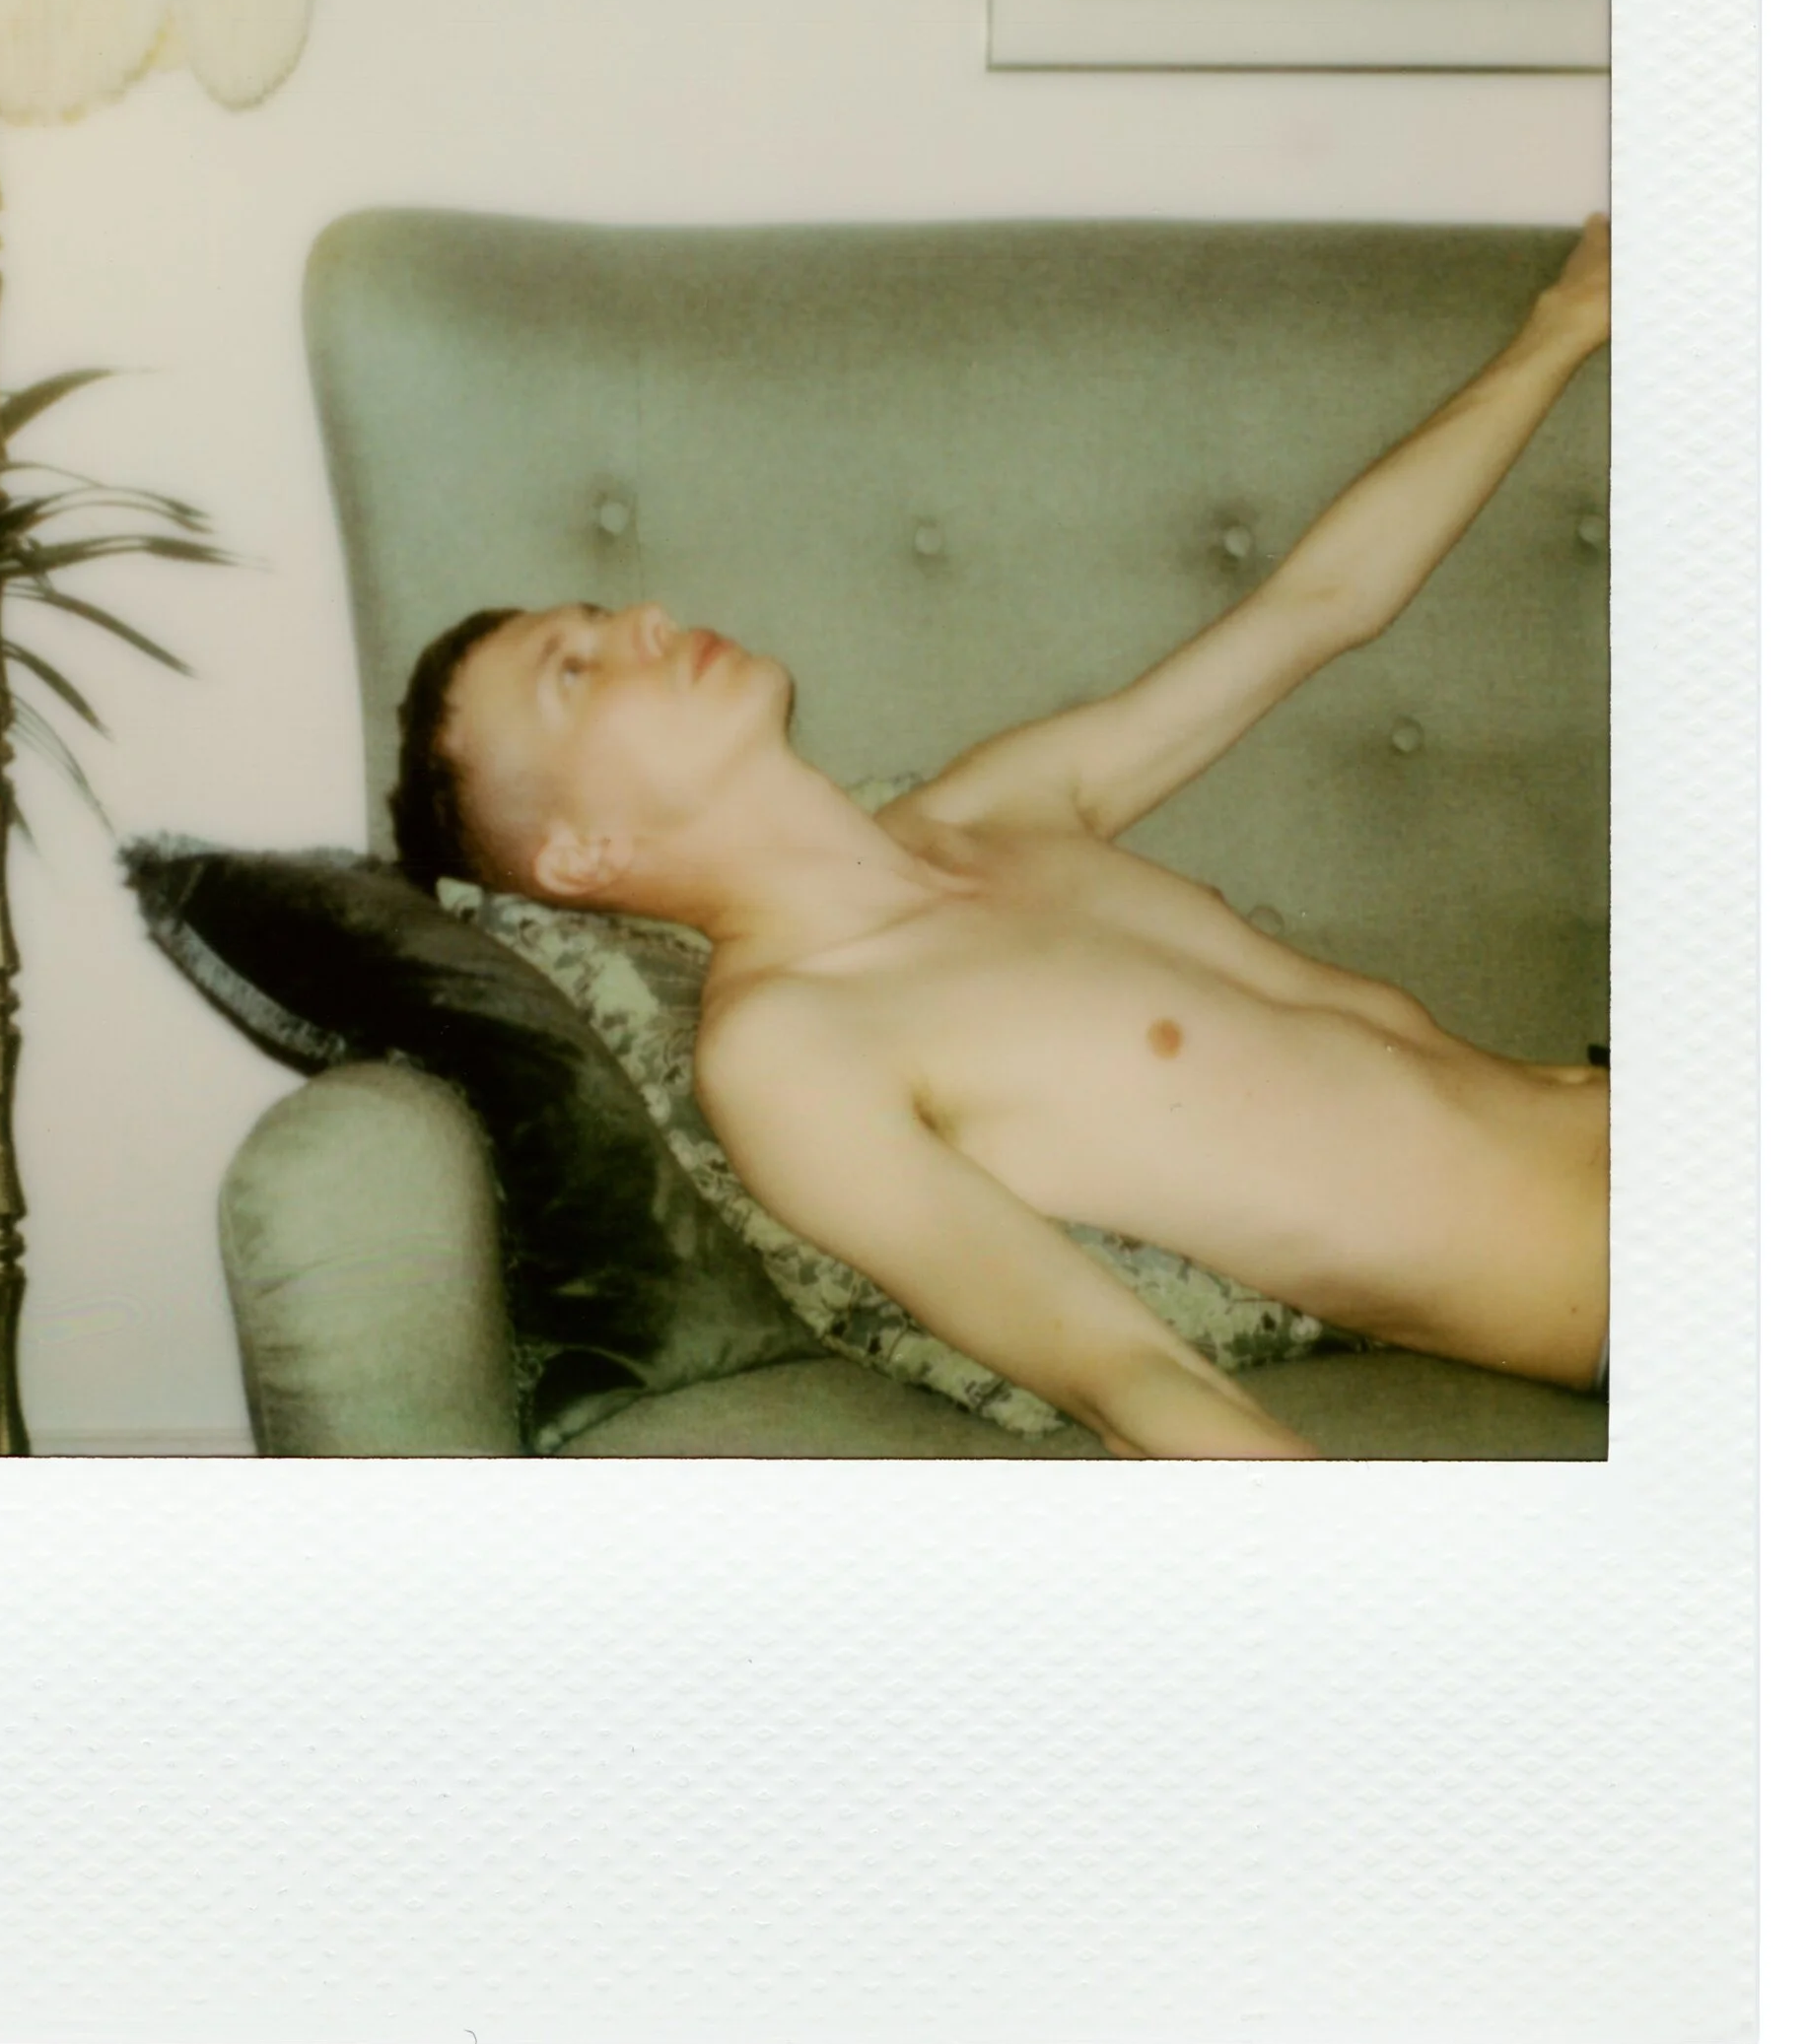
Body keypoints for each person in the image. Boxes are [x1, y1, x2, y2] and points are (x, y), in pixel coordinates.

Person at [389, 221, 1612, 1461]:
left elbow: (1317, 606)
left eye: (604, 612)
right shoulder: (787, 1050)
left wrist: (1562, 327)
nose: (645, 618)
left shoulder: (988, 805)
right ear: (582, 854)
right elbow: (1124, 1372)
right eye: (575, 668)